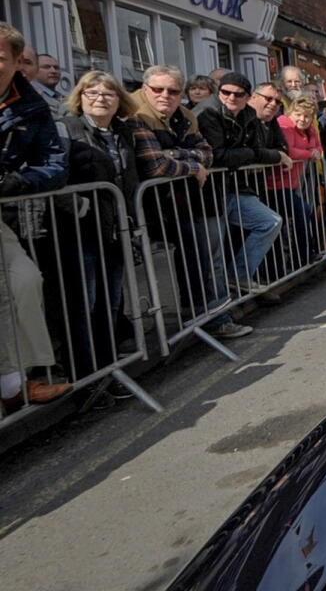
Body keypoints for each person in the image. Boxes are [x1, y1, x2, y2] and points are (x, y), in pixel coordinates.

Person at [130, 66, 250, 338]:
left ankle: (206, 319)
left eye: (173, 91)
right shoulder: (135, 114)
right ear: (145, 89)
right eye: (158, 89)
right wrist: (192, 166)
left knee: (200, 260)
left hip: (181, 204)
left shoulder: (184, 116)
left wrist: (180, 156)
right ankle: (200, 321)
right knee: (197, 259)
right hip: (148, 207)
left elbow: (206, 153)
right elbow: (155, 165)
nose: (165, 96)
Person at [0, 23, 70, 413]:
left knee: (25, 280)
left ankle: (15, 381)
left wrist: (19, 181)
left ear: (15, 64)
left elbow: (55, 166)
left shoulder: (30, 106)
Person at [57, 72, 145, 376]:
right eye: (91, 93)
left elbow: (131, 178)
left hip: (115, 228)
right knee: (85, 305)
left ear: (119, 100)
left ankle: (110, 369)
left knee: (111, 301)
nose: (100, 99)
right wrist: (79, 208)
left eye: (108, 94)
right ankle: (86, 375)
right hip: (79, 232)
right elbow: (56, 177)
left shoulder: (125, 131)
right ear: (79, 98)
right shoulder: (67, 128)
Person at [196, 71, 290, 299]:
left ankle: (238, 275)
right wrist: (253, 156)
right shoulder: (208, 113)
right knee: (212, 256)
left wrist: (262, 156)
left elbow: (264, 149)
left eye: (238, 94)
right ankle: (216, 311)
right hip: (208, 193)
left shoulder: (248, 115)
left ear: (247, 97)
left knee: (270, 222)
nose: (231, 98)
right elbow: (218, 155)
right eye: (225, 92)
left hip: (234, 188)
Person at [268, 95, 322, 276]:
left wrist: (313, 152)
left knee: (301, 213)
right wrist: (309, 154)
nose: (302, 119)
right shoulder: (284, 124)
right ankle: (305, 255)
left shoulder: (309, 128)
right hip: (274, 184)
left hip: (292, 182)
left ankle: (302, 257)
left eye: (307, 116)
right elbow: (288, 150)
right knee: (301, 211)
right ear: (291, 112)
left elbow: (318, 148)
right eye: (298, 114)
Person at [31, 54, 65, 119]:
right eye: (46, 67)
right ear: (34, 70)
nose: (53, 71)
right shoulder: (30, 95)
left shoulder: (63, 97)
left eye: (56, 68)